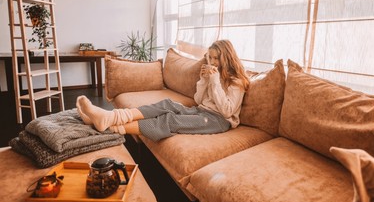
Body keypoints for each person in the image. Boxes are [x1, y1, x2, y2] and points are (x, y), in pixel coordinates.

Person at [76, 39, 250, 141]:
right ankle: (110, 117)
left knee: (170, 120)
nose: (211, 62)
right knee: (167, 104)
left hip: (218, 121)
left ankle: (108, 127)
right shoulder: (214, 75)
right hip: (200, 110)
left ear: (226, 58)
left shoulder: (237, 82)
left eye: (215, 59)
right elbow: (198, 100)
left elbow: (227, 111)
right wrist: (204, 81)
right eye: (209, 58)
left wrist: (214, 81)